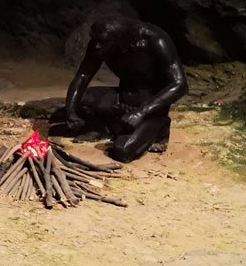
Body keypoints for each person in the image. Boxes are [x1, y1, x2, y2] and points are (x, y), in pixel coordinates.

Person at [56, 18, 188, 162]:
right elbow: (82, 76)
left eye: (102, 42)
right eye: (94, 40)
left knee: (122, 151)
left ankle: (160, 125)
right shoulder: (99, 44)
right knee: (77, 100)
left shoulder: (155, 40)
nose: (97, 46)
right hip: (122, 97)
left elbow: (180, 84)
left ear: (120, 40)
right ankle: (105, 129)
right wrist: (71, 110)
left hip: (149, 105)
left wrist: (141, 112)